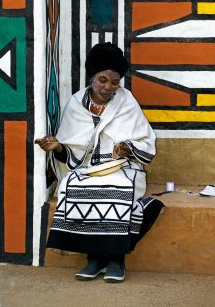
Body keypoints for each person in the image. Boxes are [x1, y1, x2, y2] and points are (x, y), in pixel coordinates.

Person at [35, 42, 164, 283]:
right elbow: (71, 150)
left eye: (115, 82)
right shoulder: (76, 103)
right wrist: (58, 147)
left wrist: (128, 148)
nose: (108, 87)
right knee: (73, 186)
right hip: (87, 169)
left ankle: (116, 259)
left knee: (117, 189)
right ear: (92, 76)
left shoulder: (127, 102)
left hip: (123, 167)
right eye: (102, 80)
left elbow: (146, 142)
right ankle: (93, 258)